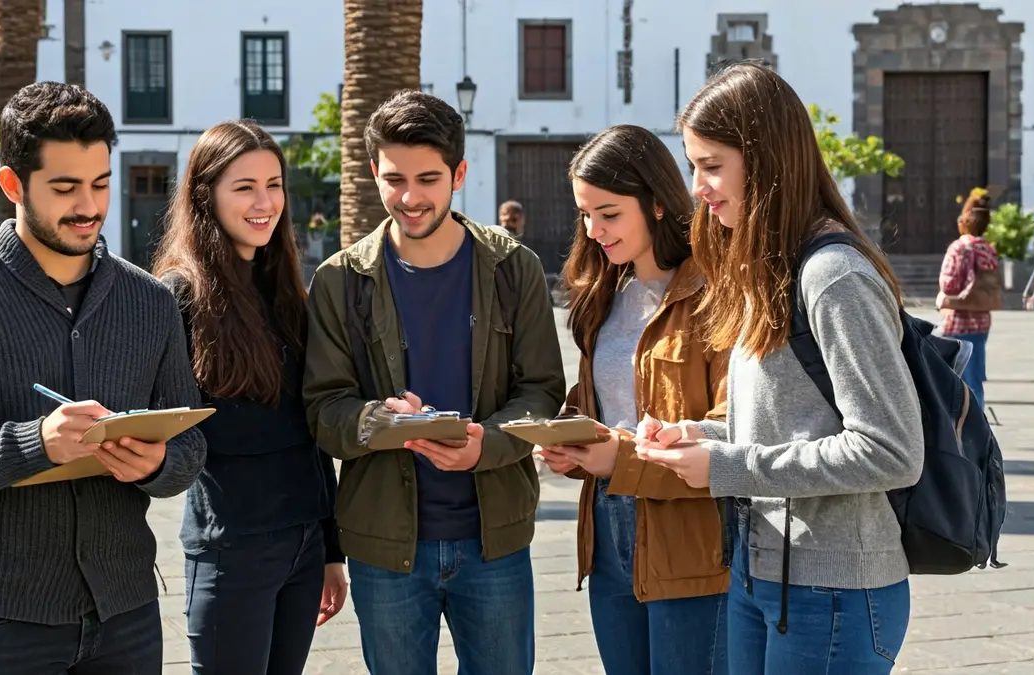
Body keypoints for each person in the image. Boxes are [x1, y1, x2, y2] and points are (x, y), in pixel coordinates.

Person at [0, 82, 207, 674]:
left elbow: (189, 445)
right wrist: (37, 444)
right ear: (12, 185)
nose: (89, 205)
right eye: (65, 188)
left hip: (126, 616)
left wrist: (159, 465)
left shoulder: (151, 301)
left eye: (100, 183)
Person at [638, 62, 924, 674]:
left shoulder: (833, 277)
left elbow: (892, 450)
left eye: (711, 165)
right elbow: (788, 428)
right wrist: (700, 436)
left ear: (765, 161)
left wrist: (726, 465)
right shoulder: (769, 269)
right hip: (760, 571)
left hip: (834, 592)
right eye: (694, 165)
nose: (696, 186)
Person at [301, 89, 566, 675]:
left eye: (427, 178)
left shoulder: (512, 268)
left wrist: (485, 446)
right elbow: (323, 409)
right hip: (384, 546)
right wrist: (379, 420)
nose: (410, 197)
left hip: (493, 539)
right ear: (374, 172)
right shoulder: (339, 281)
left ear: (459, 174)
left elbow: (544, 390)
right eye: (394, 178)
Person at [151, 120, 348, 675]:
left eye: (275, 184)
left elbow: (311, 433)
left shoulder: (287, 291)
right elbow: (170, 430)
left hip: (304, 546)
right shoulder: (178, 297)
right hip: (231, 548)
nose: (265, 203)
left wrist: (331, 549)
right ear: (205, 195)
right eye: (244, 187)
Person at [535, 124, 730, 674]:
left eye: (609, 213)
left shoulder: (715, 293)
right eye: (585, 214)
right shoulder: (605, 294)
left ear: (658, 203)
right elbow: (607, 406)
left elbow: (731, 430)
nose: (594, 230)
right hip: (607, 532)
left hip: (689, 541)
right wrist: (569, 439)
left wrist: (615, 456)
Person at [938, 191, 999, 405]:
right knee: (974, 382)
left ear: (965, 221)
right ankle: (977, 431)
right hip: (981, 321)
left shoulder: (960, 247)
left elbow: (949, 284)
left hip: (958, 323)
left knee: (951, 381)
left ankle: (959, 433)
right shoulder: (988, 248)